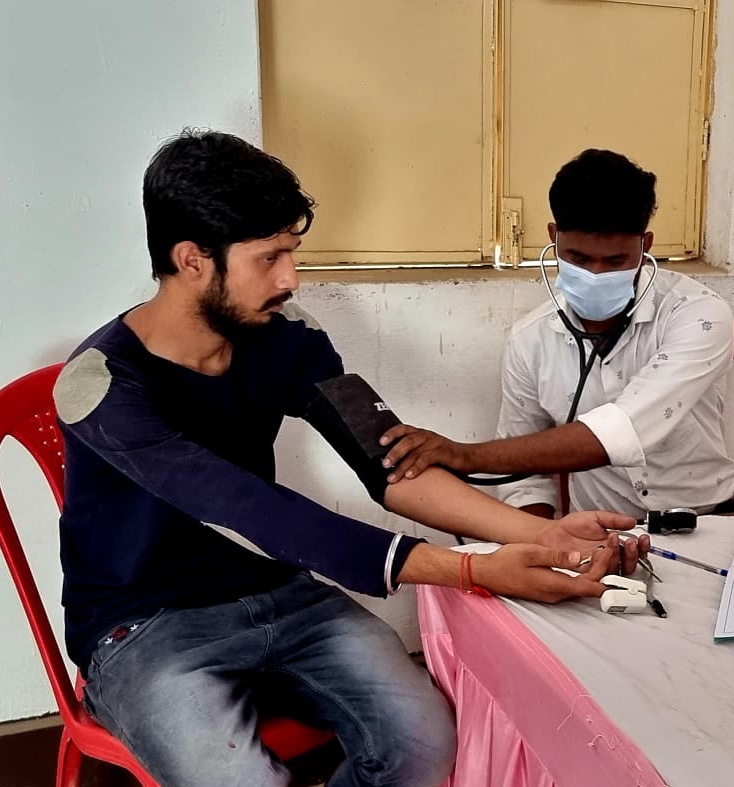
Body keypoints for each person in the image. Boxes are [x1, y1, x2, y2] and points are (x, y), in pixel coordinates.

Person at [53, 131, 646, 787]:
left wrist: (540, 536)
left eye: (292, 252)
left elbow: (389, 463)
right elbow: (251, 512)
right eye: (269, 258)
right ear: (192, 260)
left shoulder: (285, 335)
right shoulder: (99, 386)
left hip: (278, 595)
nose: (290, 279)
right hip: (145, 626)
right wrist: (474, 569)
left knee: (425, 744)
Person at [381, 149, 734, 520]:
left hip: (708, 521)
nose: (596, 274)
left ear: (645, 245)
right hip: (600, 533)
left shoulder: (698, 314)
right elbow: (525, 479)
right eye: (579, 258)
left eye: (615, 261)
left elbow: (622, 430)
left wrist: (465, 456)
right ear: (554, 238)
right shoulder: (530, 340)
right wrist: (541, 541)